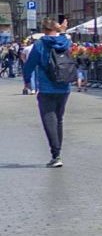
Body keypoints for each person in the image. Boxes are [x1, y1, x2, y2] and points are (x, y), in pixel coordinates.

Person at [24, 19, 72, 167]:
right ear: (56, 29)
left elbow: (29, 65)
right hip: (64, 86)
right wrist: (63, 30)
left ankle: (56, 155)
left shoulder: (40, 45)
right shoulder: (65, 42)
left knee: (49, 120)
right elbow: (65, 40)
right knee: (59, 119)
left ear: (43, 30)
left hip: (46, 88)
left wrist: (27, 81)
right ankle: (58, 153)